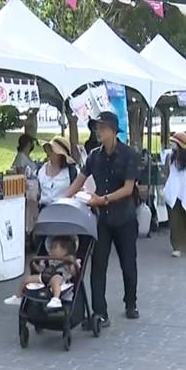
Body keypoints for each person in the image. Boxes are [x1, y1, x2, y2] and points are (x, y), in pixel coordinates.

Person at [64, 111, 140, 324]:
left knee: (128, 263)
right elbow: (79, 180)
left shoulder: (128, 155)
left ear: (114, 131)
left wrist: (102, 199)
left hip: (124, 217)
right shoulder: (94, 156)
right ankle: (100, 312)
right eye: (97, 128)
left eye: (103, 128)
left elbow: (128, 189)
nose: (99, 131)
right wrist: (62, 201)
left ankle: (131, 303)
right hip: (102, 220)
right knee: (98, 265)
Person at [4, 235, 79, 310]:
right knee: (27, 279)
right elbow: (42, 269)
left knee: (55, 281)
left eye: (55, 247)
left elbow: (74, 273)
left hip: (60, 278)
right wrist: (35, 266)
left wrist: (72, 265)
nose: (51, 249)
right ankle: (18, 297)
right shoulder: (48, 259)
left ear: (65, 250)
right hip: (45, 276)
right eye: (51, 247)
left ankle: (56, 299)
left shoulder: (68, 260)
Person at [162, 131, 186, 258]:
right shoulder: (170, 156)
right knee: (175, 220)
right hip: (174, 192)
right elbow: (167, 172)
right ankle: (177, 246)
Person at [38, 136, 77, 208]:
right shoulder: (42, 169)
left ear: (61, 155)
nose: (48, 153)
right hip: (44, 212)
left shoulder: (71, 171)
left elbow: (78, 192)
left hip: (65, 211)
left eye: (52, 150)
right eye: (48, 149)